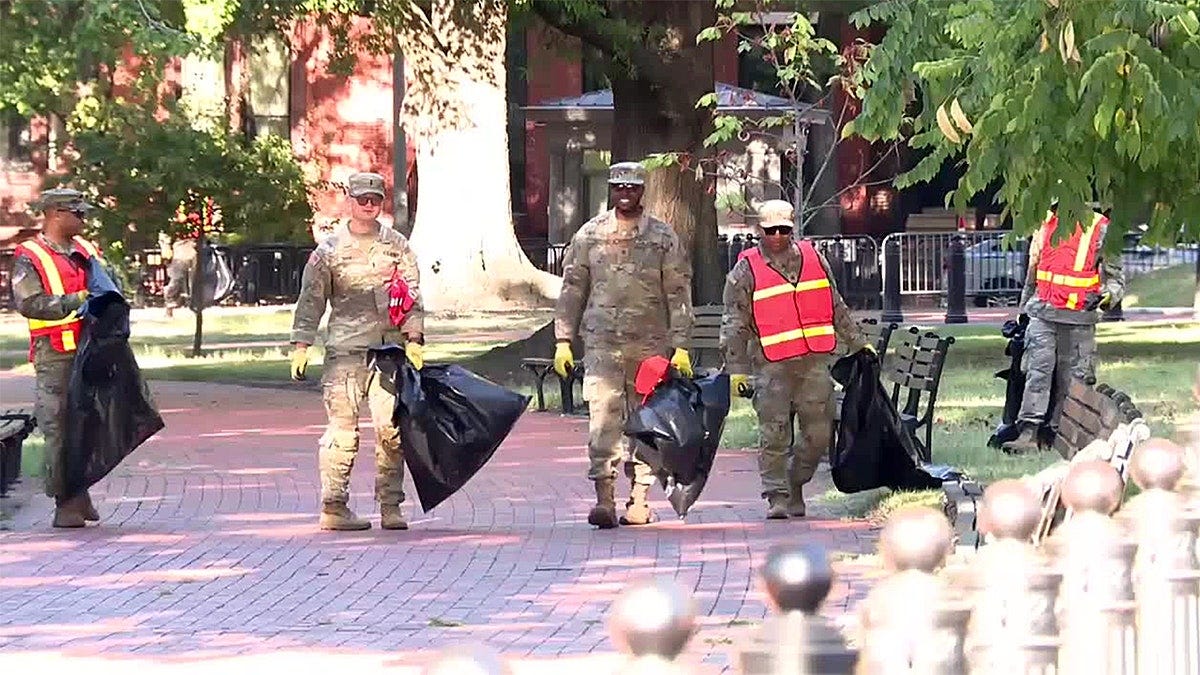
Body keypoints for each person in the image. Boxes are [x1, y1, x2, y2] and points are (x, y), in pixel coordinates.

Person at [553, 161, 694, 529]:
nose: (625, 194)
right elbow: (573, 289)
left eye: (632, 188)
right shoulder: (590, 235)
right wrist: (563, 340)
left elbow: (678, 291)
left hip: (650, 348)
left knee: (646, 423)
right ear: (611, 191)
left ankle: (640, 499)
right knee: (602, 421)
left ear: (642, 192)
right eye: (619, 188)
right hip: (602, 345)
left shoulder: (663, 237)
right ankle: (604, 499)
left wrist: (681, 345)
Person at [290, 171, 425, 531]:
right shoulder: (329, 252)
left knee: (391, 431)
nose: (368, 206)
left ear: (382, 202)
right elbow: (311, 301)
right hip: (345, 352)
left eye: (374, 200)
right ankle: (334, 505)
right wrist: (301, 345)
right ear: (350, 200)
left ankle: (391, 506)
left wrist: (414, 339)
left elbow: (410, 295)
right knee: (342, 431)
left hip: (387, 353)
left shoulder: (397, 246)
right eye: (362, 199)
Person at [720, 200, 870, 519]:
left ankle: (796, 481)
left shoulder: (814, 259)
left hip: (814, 362)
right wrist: (737, 371)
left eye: (783, 230)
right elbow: (734, 322)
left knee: (819, 435)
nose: (777, 236)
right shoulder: (745, 269)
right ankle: (776, 496)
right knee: (774, 434)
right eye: (770, 230)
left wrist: (858, 342)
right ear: (759, 230)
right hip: (771, 366)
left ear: (792, 229)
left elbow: (836, 306)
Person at [10, 188, 107, 528]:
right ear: (54, 214)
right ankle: (64, 502)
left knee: (91, 425)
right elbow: (29, 303)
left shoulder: (85, 250)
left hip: (91, 350)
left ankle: (81, 491)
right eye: (77, 213)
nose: (83, 219)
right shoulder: (29, 255)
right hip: (55, 355)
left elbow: (108, 286)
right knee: (59, 427)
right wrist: (76, 300)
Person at [1002, 204, 1126, 455]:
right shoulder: (1045, 223)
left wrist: (1103, 297)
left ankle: (1063, 434)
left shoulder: (1101, 228)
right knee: (1038, 371)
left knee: (1074, 380)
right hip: (1042, 313)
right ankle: (1029, 432)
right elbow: (1033, 273)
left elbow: (1116, 281)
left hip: (1079, 317)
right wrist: (1023, 313)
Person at [162, 235, 197, 317]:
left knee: (193, 282)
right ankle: (169, 308)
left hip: (191, 255)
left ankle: (195, 307)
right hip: (179, 257)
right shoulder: (174, 237)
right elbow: (166, 243)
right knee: (175, 282)